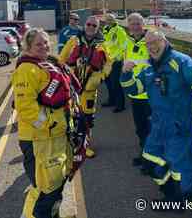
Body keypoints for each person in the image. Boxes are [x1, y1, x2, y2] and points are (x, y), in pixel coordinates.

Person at [121, 30, 192, 218]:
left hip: (182, 131)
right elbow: (134, 88)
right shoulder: (148, 68)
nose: (152, 47)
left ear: (165, 41)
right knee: (151, 162)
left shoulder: (182, 62)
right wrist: (126, 73)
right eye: (148, 44)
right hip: (159, 128)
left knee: (186, 179)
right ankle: (173, 198)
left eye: (156, 41)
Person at [12, 28, 82, 218]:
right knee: (46, 190)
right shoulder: (26, 69)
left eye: (45, 42)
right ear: (27, 46)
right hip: (39, 140)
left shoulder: (46, 63)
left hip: (56, 136)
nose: (44, 46)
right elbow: (26, 107)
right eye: (38, 44)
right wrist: (49, 124)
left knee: (57, 183)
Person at [59, 16, 112, 158]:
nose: (90, 27)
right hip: (72, 87)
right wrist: (64, 76)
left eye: (94, 26)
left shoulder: (102, 45)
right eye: (88, 24)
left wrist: (100, 78)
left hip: (89, 89)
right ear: (85, 24)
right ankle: (71, 146)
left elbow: (108, 64)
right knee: (70, 117)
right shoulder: (73, 41)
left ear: (97, 28)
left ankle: (85, 146)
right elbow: (61, 60)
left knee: (87, 119)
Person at [124, 13, 152, 171]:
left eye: (137, 23)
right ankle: (144, 154)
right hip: (135, 94)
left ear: (143, 24)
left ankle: (150, 161)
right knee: (140, 128)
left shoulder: (151, 40)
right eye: (132, 24)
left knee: (151, 129)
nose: (135, 26)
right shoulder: (128, 42)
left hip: (149, 94)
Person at [101, 13, 127, 113]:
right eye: (107, 19)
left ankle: (120, 105)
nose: (109, 21)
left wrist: (117, 58)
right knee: (108, 82)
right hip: (106, 61)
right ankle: (111, 100)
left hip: (115, 61)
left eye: (111, 19)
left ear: (114, 20)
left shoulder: (119, 30)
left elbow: (124, 46)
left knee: (116, 83)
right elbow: (105, 43)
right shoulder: (106, 29)